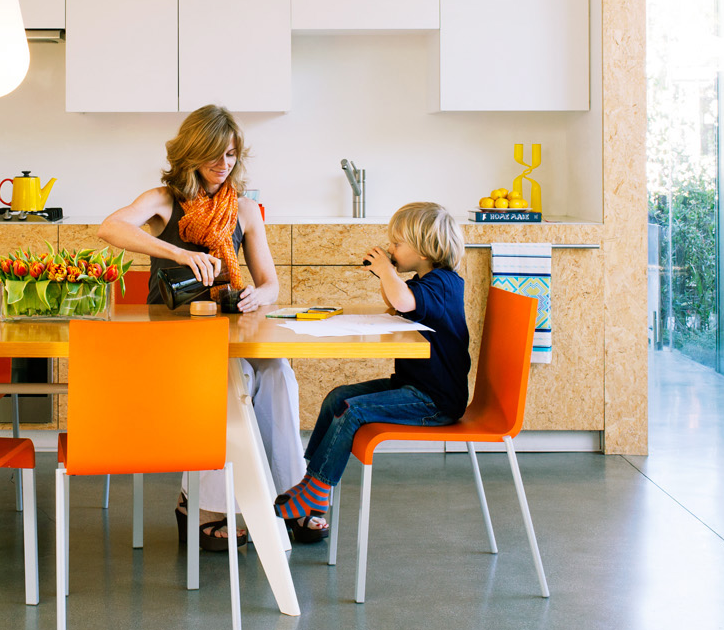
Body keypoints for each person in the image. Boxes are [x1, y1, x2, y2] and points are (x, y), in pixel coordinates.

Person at [98, 104, 324, 548]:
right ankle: (205, 505)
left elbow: (271, 283)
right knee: (228, 380)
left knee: (278, 374)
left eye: (232, 155)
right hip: (176, 340)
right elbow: (110, 228)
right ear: (191, 153)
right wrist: (180, 254)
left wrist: (260, 295)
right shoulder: (164, 202)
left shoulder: (244, 209)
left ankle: (290, 496)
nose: (224, 165)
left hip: (229, 331)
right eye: (215, 155)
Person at [274, 201, 470, 531]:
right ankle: (312, 482)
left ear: (423, 250)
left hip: (434, 402)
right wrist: (387, 273)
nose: (391, 248)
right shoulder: (426, 283)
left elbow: (403, 301)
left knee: (352, 410)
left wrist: (388, 271)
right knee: (339, 397)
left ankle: (318, 491)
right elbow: (397, 302)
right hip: (414, 388)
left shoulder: (444, 284)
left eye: (397, 243)